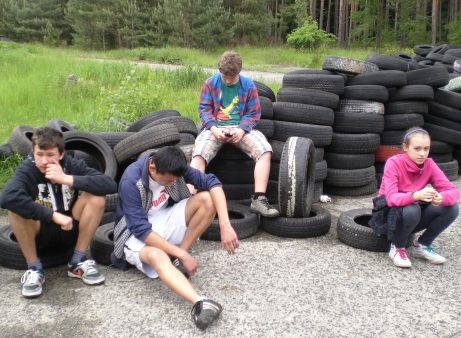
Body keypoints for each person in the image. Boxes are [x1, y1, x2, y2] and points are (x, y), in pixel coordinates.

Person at [111, 146, 239, 330]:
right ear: (152, 168)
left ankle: (178, 259)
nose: (171, 184)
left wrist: (225, 225)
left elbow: (213, 183)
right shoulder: (131, 181)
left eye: (174, 180)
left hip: (162, 217)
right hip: (134, 232)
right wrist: (182, 253)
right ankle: (200, 302)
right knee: (157, 256)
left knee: (208, 200)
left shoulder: (173, 165)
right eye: (168, 181)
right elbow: (141, 231)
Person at [0, 126, 118, 298]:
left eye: (50, 155)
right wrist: (52, 215)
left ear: (61, 154)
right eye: (39, 154)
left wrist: (65, 178)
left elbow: (109, 184)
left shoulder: (72, 165)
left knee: (97, 197)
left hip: (69, 229)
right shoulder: (27, 170)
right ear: (33, 151)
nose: (44, 161)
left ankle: (77, 261)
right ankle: (34, 270)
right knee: (16, 209)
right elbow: (6, 198)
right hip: (40, 233)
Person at [189, 51, 279, 218]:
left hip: (241, 128)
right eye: (225, 76)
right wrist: (214, 129)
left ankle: (259, 199)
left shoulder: (248, 85)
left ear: (239, 72)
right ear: (220, 72)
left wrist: (242, 129)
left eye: (232, 77)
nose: (228, 80)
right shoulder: (210, 83)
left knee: (265, 150)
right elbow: (204, 110)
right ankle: (188, 201)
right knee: (199, 154)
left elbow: (253, 113)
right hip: (214, 128)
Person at [375, 127, 459, 268]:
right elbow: (390, 198)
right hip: (385, 217)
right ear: (405, 147)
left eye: (426, 149)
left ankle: (422, 245)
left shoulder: (429, 164)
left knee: (451, 208)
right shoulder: (393, 163)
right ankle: (398, 247)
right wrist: (415, 195)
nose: (422, 153)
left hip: (410, 214)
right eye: (417, 148)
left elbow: (452, 191)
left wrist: (441, 197)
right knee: (413, 208)